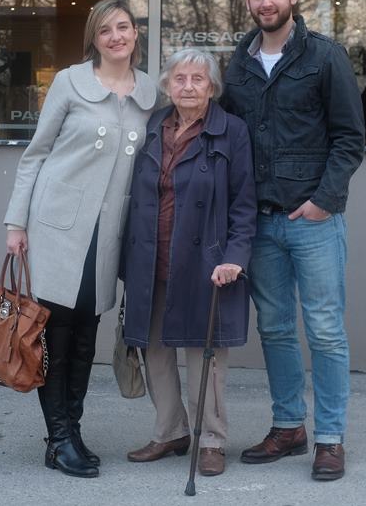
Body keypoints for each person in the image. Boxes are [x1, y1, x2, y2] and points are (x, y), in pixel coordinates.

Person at [219, 0, 365, 481]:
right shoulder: (238, 66)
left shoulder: (325, 56)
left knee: (324, 331)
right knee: (276, 328)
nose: (266, 3)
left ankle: (330, 437)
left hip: (314, 221)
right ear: (248, 0)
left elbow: (349, 139)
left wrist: (324, 200)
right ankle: (288, 427)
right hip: (259, 223)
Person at [3, 0, 156, 478]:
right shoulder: (70, 82)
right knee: (56, 333)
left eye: (123, 27)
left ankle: (73, 429)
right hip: (57, 225)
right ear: (94, 39)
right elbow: (36, 154)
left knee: (87, 335)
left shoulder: (149, 93)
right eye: (105, 30)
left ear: (135, 33)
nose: (116, 36)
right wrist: (15, 223)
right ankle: (58, 439)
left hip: (109, 232)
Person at [121, 48, 256, 477]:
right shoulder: (154, 126)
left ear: (212, 87)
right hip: (151, 257)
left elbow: (244, 205)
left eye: (198, 79)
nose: (188, 87)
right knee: (155, 350)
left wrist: (234, 258)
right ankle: (170, 431)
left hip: (204, 261)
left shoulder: (231, 131)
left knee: (205, 355)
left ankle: (211, 439)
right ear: (166, 85)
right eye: (179, 79)